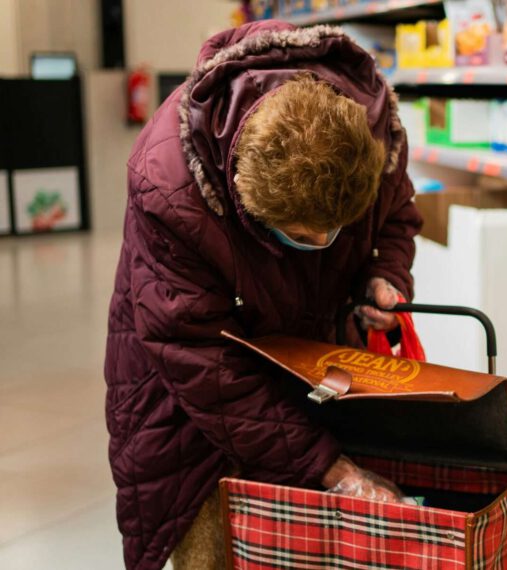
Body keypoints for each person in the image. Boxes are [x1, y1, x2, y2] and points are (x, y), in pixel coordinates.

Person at [104, 21, 422, 570]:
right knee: (210, 544)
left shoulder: (373, 137)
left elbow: (396, 215)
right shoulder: (171, 186)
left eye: (338, 228)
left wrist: (385, 275)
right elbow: (200, 361)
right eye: (301, 236)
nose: (323, 244)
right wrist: (331, 469)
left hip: (309, 367)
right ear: (246, 200)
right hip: (192, 407)